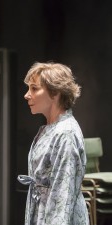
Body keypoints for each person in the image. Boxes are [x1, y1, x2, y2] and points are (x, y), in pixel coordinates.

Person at [17, 62, 89, 224]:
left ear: (55, 92)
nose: (27, 95)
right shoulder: (51, 128)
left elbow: (62, 194)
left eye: (34, 88)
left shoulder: (65, 133)